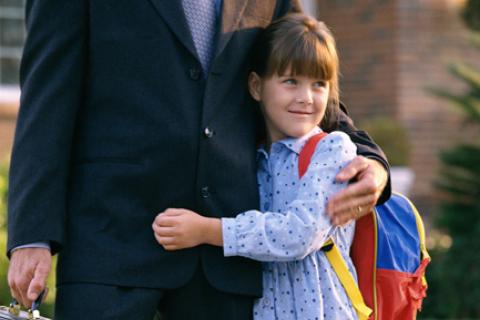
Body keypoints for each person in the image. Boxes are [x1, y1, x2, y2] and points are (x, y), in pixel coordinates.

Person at [7, 1, 390, 319]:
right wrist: (32, 235)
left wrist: (371, 160)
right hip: (111, 239)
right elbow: (47, 99)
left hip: (226, 258)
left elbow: (301, 65)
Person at [153, 13, 362, 320]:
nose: (306, 97)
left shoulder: (332, 150)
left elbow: (299, 234)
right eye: (290, 81)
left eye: (319, 84)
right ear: (256, 86)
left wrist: (208, 230)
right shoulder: (253, 158)